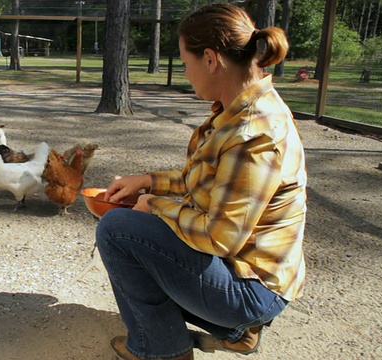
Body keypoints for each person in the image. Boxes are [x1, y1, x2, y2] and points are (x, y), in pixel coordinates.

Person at [96, 3, 307, 360]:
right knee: (136, 224)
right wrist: (146, 182)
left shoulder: (252, 134)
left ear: (210, 59)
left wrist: (155, 207)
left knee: (119, 229)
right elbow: (206, 180)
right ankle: (235, 332)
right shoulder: (240, 109)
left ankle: (162, 349)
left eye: (185, 62)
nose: (186, 72)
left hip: (250, 290)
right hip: (247, 275)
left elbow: (221, 237)